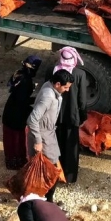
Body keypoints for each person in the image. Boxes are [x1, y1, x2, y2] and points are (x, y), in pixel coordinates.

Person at [27, 70, 74, 202]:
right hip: (43, 135)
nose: (67, 90)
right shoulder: (48, 96)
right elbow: (32, 119)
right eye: (66, 87)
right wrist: (38, 141)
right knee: (52, 168)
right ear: (57, 84)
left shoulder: (48, 85)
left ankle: (40, 196)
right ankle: (48, 200)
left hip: (48, 133)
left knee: (45, 167)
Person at [47, 48, 87, 183]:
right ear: (74, 59)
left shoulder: (54, 71)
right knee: (71, 146)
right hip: (72, 116)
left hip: (56, 115)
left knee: (56, 144)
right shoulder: (80, 74)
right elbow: (82, 99)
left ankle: (56, 173)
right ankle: (70, 177)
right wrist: (83, 115)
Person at [2, 56, 42, 170]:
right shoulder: (27, 81)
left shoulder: (19, 74)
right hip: (16, 114)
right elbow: (22, 101)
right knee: (16, 139)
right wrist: (35, 104)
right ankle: (16, 162)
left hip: (10, 110)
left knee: (11, 139)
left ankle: (11, 160)